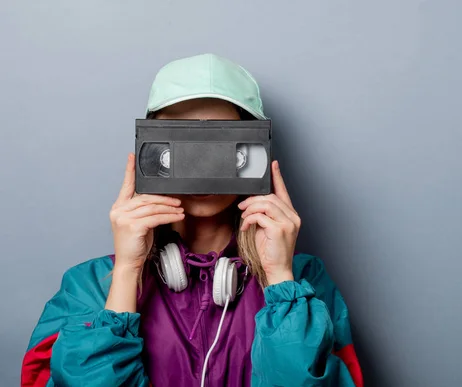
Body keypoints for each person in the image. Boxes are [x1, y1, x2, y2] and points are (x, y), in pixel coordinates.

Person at [21, 53, 363, 387]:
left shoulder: (303, 282)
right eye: (178, 146)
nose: (202, 164)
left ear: (255, 151)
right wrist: (125, 273)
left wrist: (280, 282)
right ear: (150, 152)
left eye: (226, 145)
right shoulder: (89, 285)